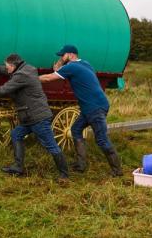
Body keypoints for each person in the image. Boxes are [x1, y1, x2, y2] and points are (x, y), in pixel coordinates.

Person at [0, 54, 69, 180]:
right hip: (29, 116)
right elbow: (7, 71)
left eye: (7, 67)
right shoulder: (27, 69)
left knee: (51, 145)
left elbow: (5, 89)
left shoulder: (21, 75)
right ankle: (18, 167)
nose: (7, 69)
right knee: (16, 134)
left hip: (37, 117)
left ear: (13, 65)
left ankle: (64, 175)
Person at [39, 45, 122, 177]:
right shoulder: (84, 63)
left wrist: (31, 78)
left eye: (63, 55)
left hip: (94, 107)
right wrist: (61, 63)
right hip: (92, 107)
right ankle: (81, 164)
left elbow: (49, 78)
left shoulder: (72, 67)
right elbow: (61, 70)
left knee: (101, 139)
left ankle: (117, 170)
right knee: (76, 130)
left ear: (71, 54)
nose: (61, 58)